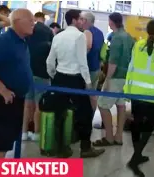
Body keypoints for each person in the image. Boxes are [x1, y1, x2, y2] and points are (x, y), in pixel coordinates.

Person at [46, 9, 104, 158]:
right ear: (73, 20)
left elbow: (50, 61)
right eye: (80, 19)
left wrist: (54, 75)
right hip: (75, 79)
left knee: (60, 113)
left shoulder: (58, 36)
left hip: (59, 78)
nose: (82, 22)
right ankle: (85, 148)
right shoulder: (79, 36)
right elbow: (82, 62)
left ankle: (60, 149)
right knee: (84, 113)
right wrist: (88, 82)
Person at [125, 20, 154, 177]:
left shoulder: (138, 45)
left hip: (135, 91)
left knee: (137, 124)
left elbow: (131, 66)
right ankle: (135, 157)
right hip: (150, 94)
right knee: (148, 127)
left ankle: (137, 155)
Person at [0, 8, 34, 158]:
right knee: (0, 146)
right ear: (18, 22)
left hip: (15, 99)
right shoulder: (5, 41)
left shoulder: (21, 40)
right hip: (5, 100)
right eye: (30, 21)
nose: (34, 24)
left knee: (6, 143)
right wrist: (2, 87)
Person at [93, 12, 133, 147]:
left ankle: (109, 137)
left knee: (102, 105)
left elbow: (113, 61)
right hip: (126, 77)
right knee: (121, 106)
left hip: (115, 77)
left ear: (111, 22)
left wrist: (107, 79)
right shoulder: (128, 37)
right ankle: (119, 137)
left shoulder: (116, 38)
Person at [22, 12, 54, 141]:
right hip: (42, 72)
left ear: (35, 18)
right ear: (44, 18)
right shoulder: (49, 31)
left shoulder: (28, 30)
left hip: (28, 72)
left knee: (27, 104)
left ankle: (23, 132)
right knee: (39, 105)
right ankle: (36, 132)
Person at [81, 12, 104, 111]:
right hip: (97, 67)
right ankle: (92, 115)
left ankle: (87, 117)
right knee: (92, 93)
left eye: (81, 19)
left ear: (85, 20)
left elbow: (87, 48)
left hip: (88, 68)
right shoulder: (100, 32)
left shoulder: (87, 32)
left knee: (86, 94)